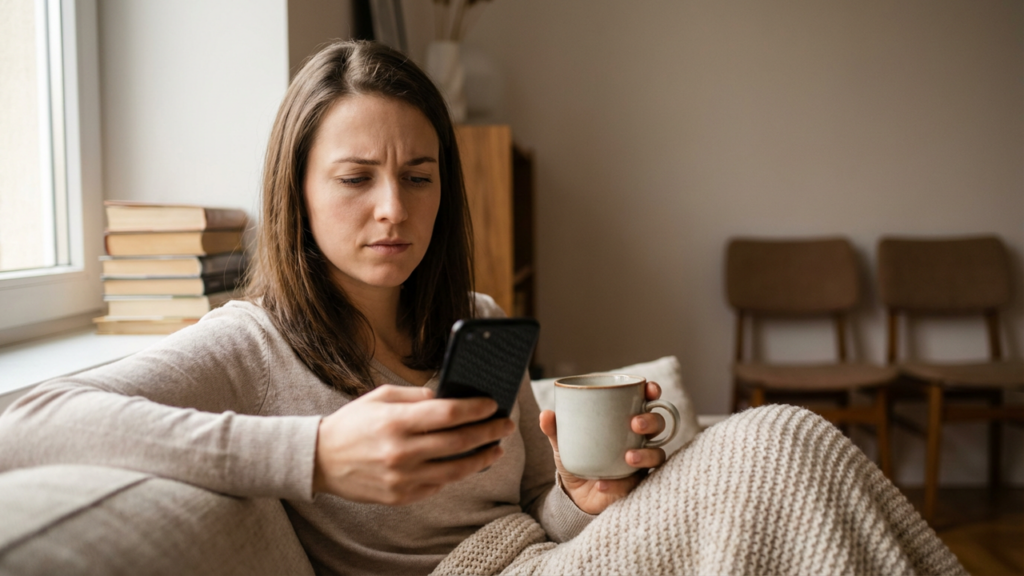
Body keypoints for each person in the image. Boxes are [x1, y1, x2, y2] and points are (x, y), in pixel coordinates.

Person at [0, 40, 964, 576]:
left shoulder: (472, 316)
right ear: (295, 190)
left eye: (419, 178)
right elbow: (22, 420)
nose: (394, 208)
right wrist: (312, 456)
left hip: (539, 560)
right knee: (778, 450)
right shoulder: (250, 343)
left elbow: (539, 509)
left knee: (780, 446)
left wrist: (581, 500)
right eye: (355, 178)